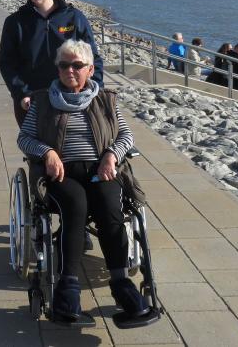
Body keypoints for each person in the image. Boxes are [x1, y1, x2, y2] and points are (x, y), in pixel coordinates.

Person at [17, 39, 148, 323]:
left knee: (110, 207)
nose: (70, 70)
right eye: (64, 65)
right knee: (75, 207)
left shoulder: (105, 100)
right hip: (60, 172)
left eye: (77, 65)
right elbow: (24, 138)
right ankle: (68, 286)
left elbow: (126, 136)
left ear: (90, 69)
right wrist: (48, 152)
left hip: (100, 169)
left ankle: (121, 282)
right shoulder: (42, 101)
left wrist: (111, 155)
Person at [0, 0, 104, 127]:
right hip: (33, 99)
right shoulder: (15, 22)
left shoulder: (74, 17)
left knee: (72, 148)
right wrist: (21, 94)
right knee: (37, 150)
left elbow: (93, 58)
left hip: (71, 97)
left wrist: (96, 89)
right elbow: (6, 63)